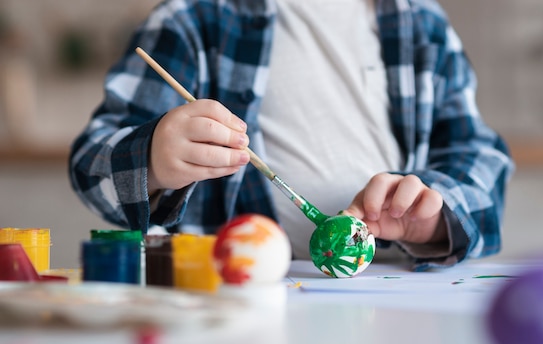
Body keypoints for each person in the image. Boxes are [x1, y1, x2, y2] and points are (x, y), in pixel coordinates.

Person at [69, 0, 514, 270]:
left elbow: (478, 159)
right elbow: (91, 164)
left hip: (386, 291)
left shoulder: (422, 23)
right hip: (231, 299)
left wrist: (435, 216)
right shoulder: (193, 18)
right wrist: (151, 159)